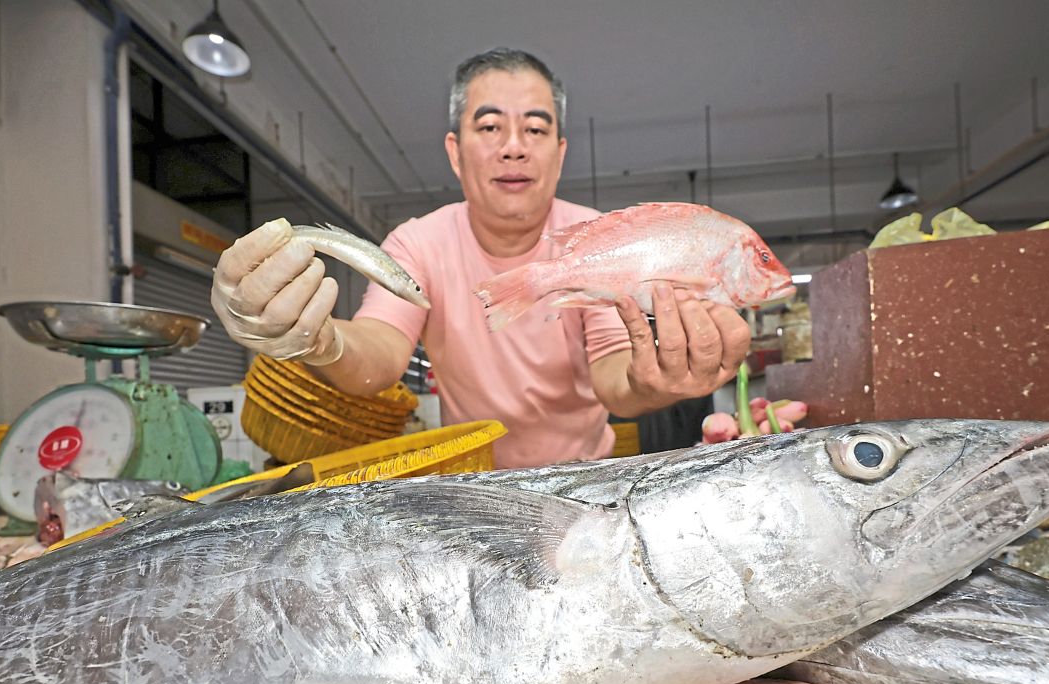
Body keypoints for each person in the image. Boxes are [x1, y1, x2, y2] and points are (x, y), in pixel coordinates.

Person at [211, 48, 751, 469]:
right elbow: (379, 354)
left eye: (536, 129)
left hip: (583, 480)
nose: (514, 147)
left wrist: (652, 380)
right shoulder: (417, 243)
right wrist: (320, 340)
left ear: (559, 152)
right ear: (455, 151)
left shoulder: (597, 237)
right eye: (490, 127)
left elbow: (613, 375)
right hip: (473, 486)